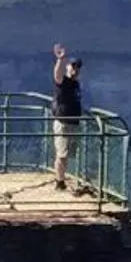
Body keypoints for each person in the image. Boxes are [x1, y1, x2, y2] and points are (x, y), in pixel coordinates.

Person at [50, 43, 84, 188]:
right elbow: (57, 76)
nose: (75, 69)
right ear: (67, 67)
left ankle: (61, 178)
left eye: (77, 67)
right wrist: (60, 59)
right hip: (64, 122)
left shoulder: (75, 84)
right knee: (62, 153)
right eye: (73, 66)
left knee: (67, 154)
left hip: (73, 122)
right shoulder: (63, 82)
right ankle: (59, 182)